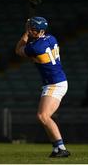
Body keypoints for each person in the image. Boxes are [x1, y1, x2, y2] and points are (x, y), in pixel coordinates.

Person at [15, 17, 70, 158]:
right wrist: (32, 31)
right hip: (58, 81)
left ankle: (61, 148)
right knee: (44, 116)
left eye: (32, 29)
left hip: (54, 84)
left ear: (39, 31)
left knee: (42, 116)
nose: (30, 31)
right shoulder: (52, 38)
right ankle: (57, 148)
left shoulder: (35, 47)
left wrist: (26, 34)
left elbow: (18, 50)